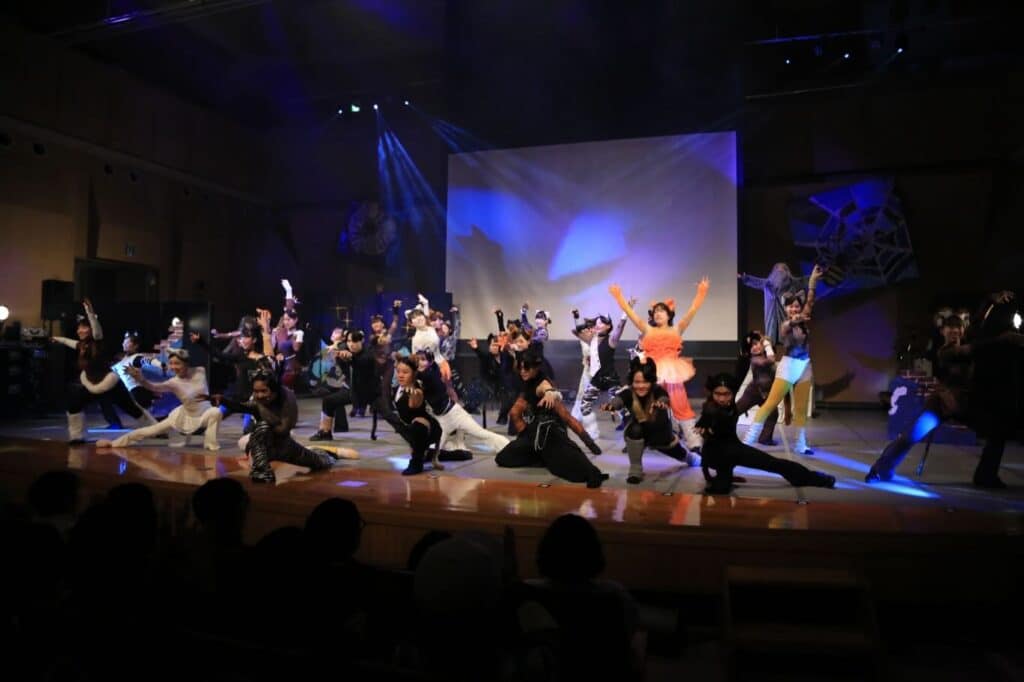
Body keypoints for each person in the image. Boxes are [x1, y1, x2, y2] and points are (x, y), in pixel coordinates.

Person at [868, 293, 1024, 487]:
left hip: (968, 404)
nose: (955, 331)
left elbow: (977, 325)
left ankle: (986, 476)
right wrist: (1004, 339)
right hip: (943, 403)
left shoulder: (970, 341)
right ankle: (881, 469)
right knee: (912, 433)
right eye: (950, 328)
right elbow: (972, 350)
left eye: (958, 328)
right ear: (942, 332)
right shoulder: (945, 352)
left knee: (997, 431)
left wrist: (991, 301)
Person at [609, 278, 709, 450]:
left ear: (669, 314)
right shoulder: (647, 329)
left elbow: (692, 310)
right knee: (644, 406)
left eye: (662, 310)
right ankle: (638, 438)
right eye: (655, 311)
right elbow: (630, 313)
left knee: (680, 405)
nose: (657, 313)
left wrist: (701, 293)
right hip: (651, 372)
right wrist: (619, 296)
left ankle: (694, 443)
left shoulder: (677, 329)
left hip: (672, 372)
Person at [697, 373, 836, 494]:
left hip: (734, 450)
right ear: (712, 393)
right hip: (719, 458)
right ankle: (723, 477)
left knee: (774, 464)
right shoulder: (711, 409)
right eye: (717, 394)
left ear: (733, 393)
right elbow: (710, 415)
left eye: (726, 394)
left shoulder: (730, 405)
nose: (721, 399)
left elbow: (741, 369)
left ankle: (811, 477)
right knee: (720, 489)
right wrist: (708, 474)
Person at [210, 369, 356, 483]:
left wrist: (261, 412)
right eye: (256, 391)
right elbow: (241, 406)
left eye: (263, 391)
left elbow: (283, 429)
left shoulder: (287, 398)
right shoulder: (258, 402)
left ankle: (328, 453)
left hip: (285, 447)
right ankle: (262, 471)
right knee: (258, 432)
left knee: (321, 461)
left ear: (274, 391)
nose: (259, 396)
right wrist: (223, 400)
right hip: (265, 448)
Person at [496, 347, 607, 487]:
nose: (523, 371)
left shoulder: (542, 383)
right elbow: (515, 412)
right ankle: (541, 456)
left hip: (551, 434)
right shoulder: (527, 381)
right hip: (533, 435)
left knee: (573, 468)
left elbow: (567, 417)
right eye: (520, 367)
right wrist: (524, 434)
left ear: (536, 368)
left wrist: (590, 444)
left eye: (527, 367)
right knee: (503, 458)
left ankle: (550, 457)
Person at [743, 265, 823, 455]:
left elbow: (809, 303)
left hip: (805, 366)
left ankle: (800, 444)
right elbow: (797, 319)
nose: (794, 308)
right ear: (785, 309)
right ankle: (748, 440)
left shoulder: (802, 320)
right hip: (789, 366)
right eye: (791, 306)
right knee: (770, 403)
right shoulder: (786, 324)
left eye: (797, 306)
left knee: (801, 408)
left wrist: (812, 282)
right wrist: (800, 315)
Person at [51, 299, 153, 443]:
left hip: (109, 382)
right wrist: (58, 339)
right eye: (78, 328)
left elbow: (96, 329)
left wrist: (90, 313)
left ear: (90, 330)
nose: (79, 331)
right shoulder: (82, 345)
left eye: (83, 328)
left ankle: (155, 429)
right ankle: (76, 436)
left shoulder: (97, 341)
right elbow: (70, 342)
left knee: (131, 409)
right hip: (91, 384)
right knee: (74, 405)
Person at [96, 348, 224, 451]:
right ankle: (114, 443)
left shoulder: (200, 371)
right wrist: (141, 379)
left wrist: (176, 350)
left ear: (186, 363)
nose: (173, 367)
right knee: (151, 431)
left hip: (205, 414)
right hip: (185, 416)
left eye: (177, 363)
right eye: (171, 363)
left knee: (215, 412)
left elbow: (200, 355)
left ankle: (210, 444)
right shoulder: (173, 382)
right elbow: (154, 387)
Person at [601, 359, 699, 484]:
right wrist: (611, 406)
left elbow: (664, 398)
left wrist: (661, 403)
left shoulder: (657, 390)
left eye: (645, 382)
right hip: (639, 433)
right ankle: (635, 470)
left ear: (651, 381)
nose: (641, 386)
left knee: (681, 454)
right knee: (634, 430)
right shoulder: (629, 392)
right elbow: (619, 400)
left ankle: (691, 458)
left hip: (661, 435)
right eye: (637, 382)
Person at [390, 356, 443, 475]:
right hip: (409, 427)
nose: (400, 375)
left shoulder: (417, 389)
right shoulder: (397, 388)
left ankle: (416, 464)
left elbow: (415, 402)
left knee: (419, 424)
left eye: (405, 372)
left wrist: (413, 395)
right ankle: (450, 454)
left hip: (428, 428)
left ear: (413, 374)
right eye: (398, 371)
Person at [733, 330, 780, 445]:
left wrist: (763, 339)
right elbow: (771, 360)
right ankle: (721, 432)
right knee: (735, 411)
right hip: (753, 392)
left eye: (756, 343)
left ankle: (765, 438)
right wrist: (767, 345)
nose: (755, 347)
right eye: (751, 346)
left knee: (773, 414)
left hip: (766, 393)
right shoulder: (755, 360)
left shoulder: (765, 354)